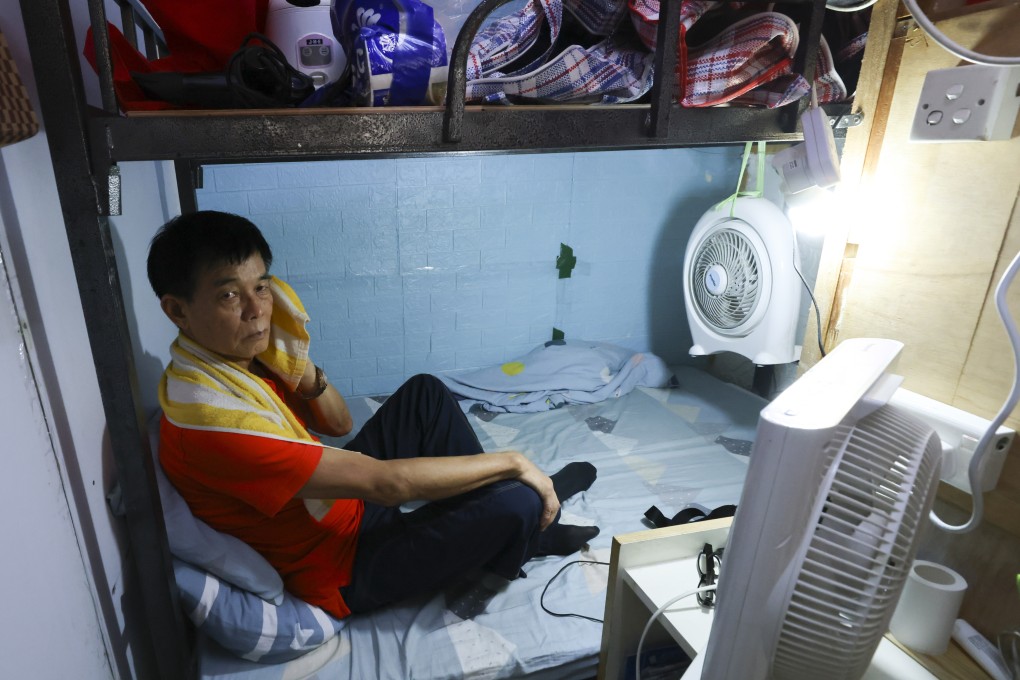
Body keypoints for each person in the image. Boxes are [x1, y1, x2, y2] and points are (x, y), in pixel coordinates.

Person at [148, 210, 599, 620]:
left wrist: (293, 362)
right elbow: (388, 485)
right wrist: (516, 462)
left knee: (426, 394)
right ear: (178, 310)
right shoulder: (213, 420)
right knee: (517, 498)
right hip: (342, 564)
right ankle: (527, 525)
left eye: (261, 287)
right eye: (230, 295)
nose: (257, 311)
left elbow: (339, 425)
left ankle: (530, 520)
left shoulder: (228, 365)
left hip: (342, 510)